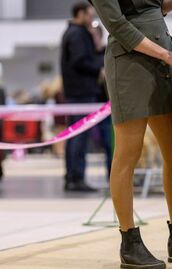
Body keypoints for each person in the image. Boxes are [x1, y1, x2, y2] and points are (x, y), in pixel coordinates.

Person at [89, 0, 172, 268]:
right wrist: (165, 55)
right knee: (128, 155)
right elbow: (116, 24)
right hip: (130, 65)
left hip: (162, 64)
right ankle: (129, 243)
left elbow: (158, 6)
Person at [60, 2, 103, 192]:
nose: (91, 18)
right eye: (89, 14)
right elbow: (79, 61)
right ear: (80, 13)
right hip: (81, 92)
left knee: (75, 136)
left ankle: (73, 177)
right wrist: (98, 71)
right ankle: (76, 178)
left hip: (78, 92)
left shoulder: (75, 33)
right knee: (79, 137)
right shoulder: (77, 34)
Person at [89, 22, 113, 180]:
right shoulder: (88, 56)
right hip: (93, 107)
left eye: (96, 34)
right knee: (103, 144)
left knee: (110, 144)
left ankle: (112, 176)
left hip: (109, 107)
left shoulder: (106, 52)